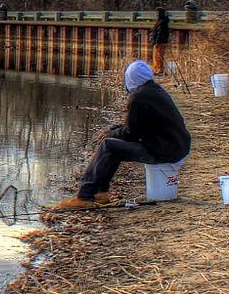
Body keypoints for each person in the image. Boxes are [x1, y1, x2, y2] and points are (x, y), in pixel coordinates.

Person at [50, 59, 191, 211]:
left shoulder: (139, 97)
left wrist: (111, 134)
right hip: (176, 146)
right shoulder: (154, 91)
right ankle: (100, 193)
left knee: (108, 146)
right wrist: (113, 129)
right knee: (112, 146)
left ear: (131, 78)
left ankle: (84, 196)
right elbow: (137, 126)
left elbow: (131, 133)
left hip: (165, 151)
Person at [150, 7, 171, 74]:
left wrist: (157, 42)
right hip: (159, 42)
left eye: (157, 13)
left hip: (160, 42)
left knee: (158, 56)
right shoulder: (161, 22)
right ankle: (156, 69)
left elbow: (160, 33)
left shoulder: (162, 22)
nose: (156, 15)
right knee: (156, 56)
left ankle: (159, 70)